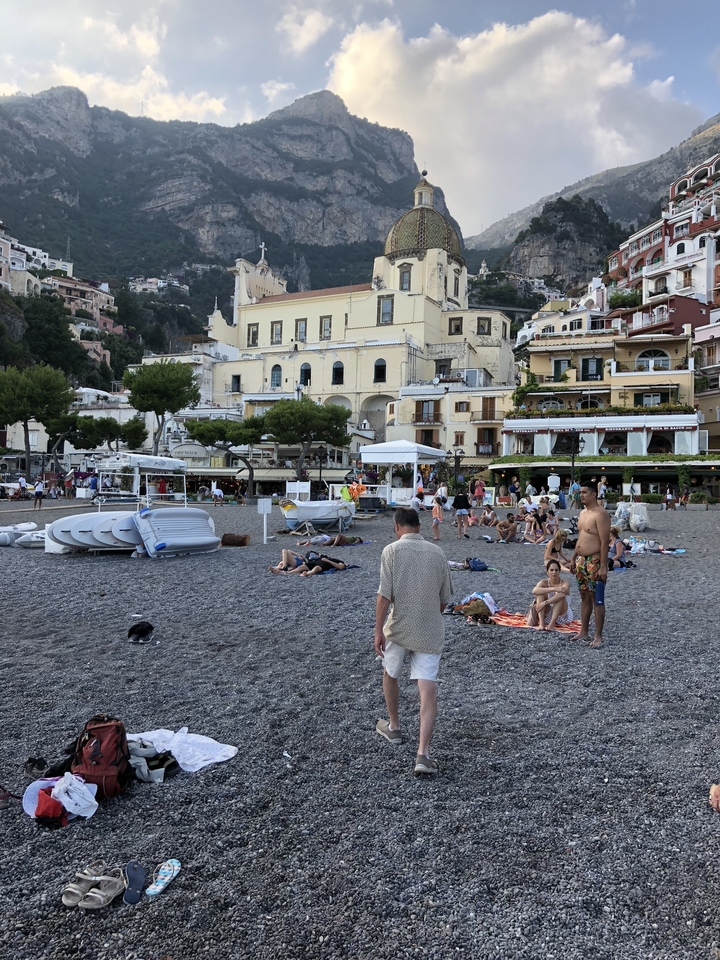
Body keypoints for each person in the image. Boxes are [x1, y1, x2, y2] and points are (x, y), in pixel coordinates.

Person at [374, 507, 452, 776]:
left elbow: (384, 595)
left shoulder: (391, 551)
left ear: (397, 527)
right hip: (430, 629)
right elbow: (444, 598)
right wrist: (428, 614)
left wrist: (377, 630)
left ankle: (394, 727)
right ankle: (423, 753)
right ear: (419, 527)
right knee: (426, 686)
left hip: (399, 626)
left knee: (390, 673)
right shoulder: (437, 553)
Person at [569, 479, 611, 648]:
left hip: (594, 559)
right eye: (580, 493)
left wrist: (602, 565)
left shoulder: (600, 514)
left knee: (597, 598)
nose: (581, 495)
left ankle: (598, 635)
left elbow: (604, 542)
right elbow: (581, 538)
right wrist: (573, 558)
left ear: (594, 494)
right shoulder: (582, 513)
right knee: (584, 596)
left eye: (584, 492)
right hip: (581, 560)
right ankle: (584, 630)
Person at [526, 559, 573, 631]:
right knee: (540, 594)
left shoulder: (565, 583)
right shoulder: (544, 582)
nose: (554, 572)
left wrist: (544, 603)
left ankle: (552, 624)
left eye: (556, 570)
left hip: (562, 614)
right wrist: (554, 589)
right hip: (548, 614)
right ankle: (541, 623)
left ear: (559, 571)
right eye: (551, 570)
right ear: (547, 572)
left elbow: (562, 595)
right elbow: (534, 591)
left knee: (559, 596)